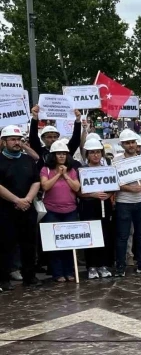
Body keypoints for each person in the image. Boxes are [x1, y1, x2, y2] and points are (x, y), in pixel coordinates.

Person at [0, 125, 41, 291]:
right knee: (5, 246)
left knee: (29, 244)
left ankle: (29, 277)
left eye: (18, 139)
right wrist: (16, 200)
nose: (16, 142)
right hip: (5, 211)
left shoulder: (28, 160)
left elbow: (36, 181)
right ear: (4, 142)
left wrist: (28, 199)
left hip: (27, 209)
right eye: (12, 139)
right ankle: (3, 279)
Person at [113, 129, 141, 277]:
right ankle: (120, 266)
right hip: (123, 202)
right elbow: (114, 183)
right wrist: (130, 188)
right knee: (122, 236)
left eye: (132, 142)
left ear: (136, 143)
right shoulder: (116, 161)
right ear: (122, 144)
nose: (130, 145)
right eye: (127, 143)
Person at [40, 141, 81, 282]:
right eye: (59, 154)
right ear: (53, 155)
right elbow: (45, 186)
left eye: (64, 153)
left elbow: (76, 188)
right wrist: (58, 174)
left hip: (70, 211)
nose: (62, 156)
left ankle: (69, 271)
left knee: (69, 243)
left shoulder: (72, 170)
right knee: (55, 243)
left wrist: (66, 175)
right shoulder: (46, 170)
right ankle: (57, 273)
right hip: (51, 211)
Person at [78, 139, 114, 279]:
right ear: (87, 154)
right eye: (92, 152)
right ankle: (91, 266)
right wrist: (92, 194)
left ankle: (103, 265)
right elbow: (78, 191)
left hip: (105, 205)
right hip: (88, 206)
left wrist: (108, 195)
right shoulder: (82, 170)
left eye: (98, 152)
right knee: (91, 235)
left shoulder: (108, 169)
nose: (95, 155)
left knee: (105, 235)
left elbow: (113, 187)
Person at [29, 106, 82, 170]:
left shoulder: (65, 150)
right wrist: (35, 118)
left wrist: (78, 121)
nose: (53, 139)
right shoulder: (40, 151)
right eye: (49, 137)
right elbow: (33, 137)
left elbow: (75, 140)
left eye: (55, 137)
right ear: (42, 139)